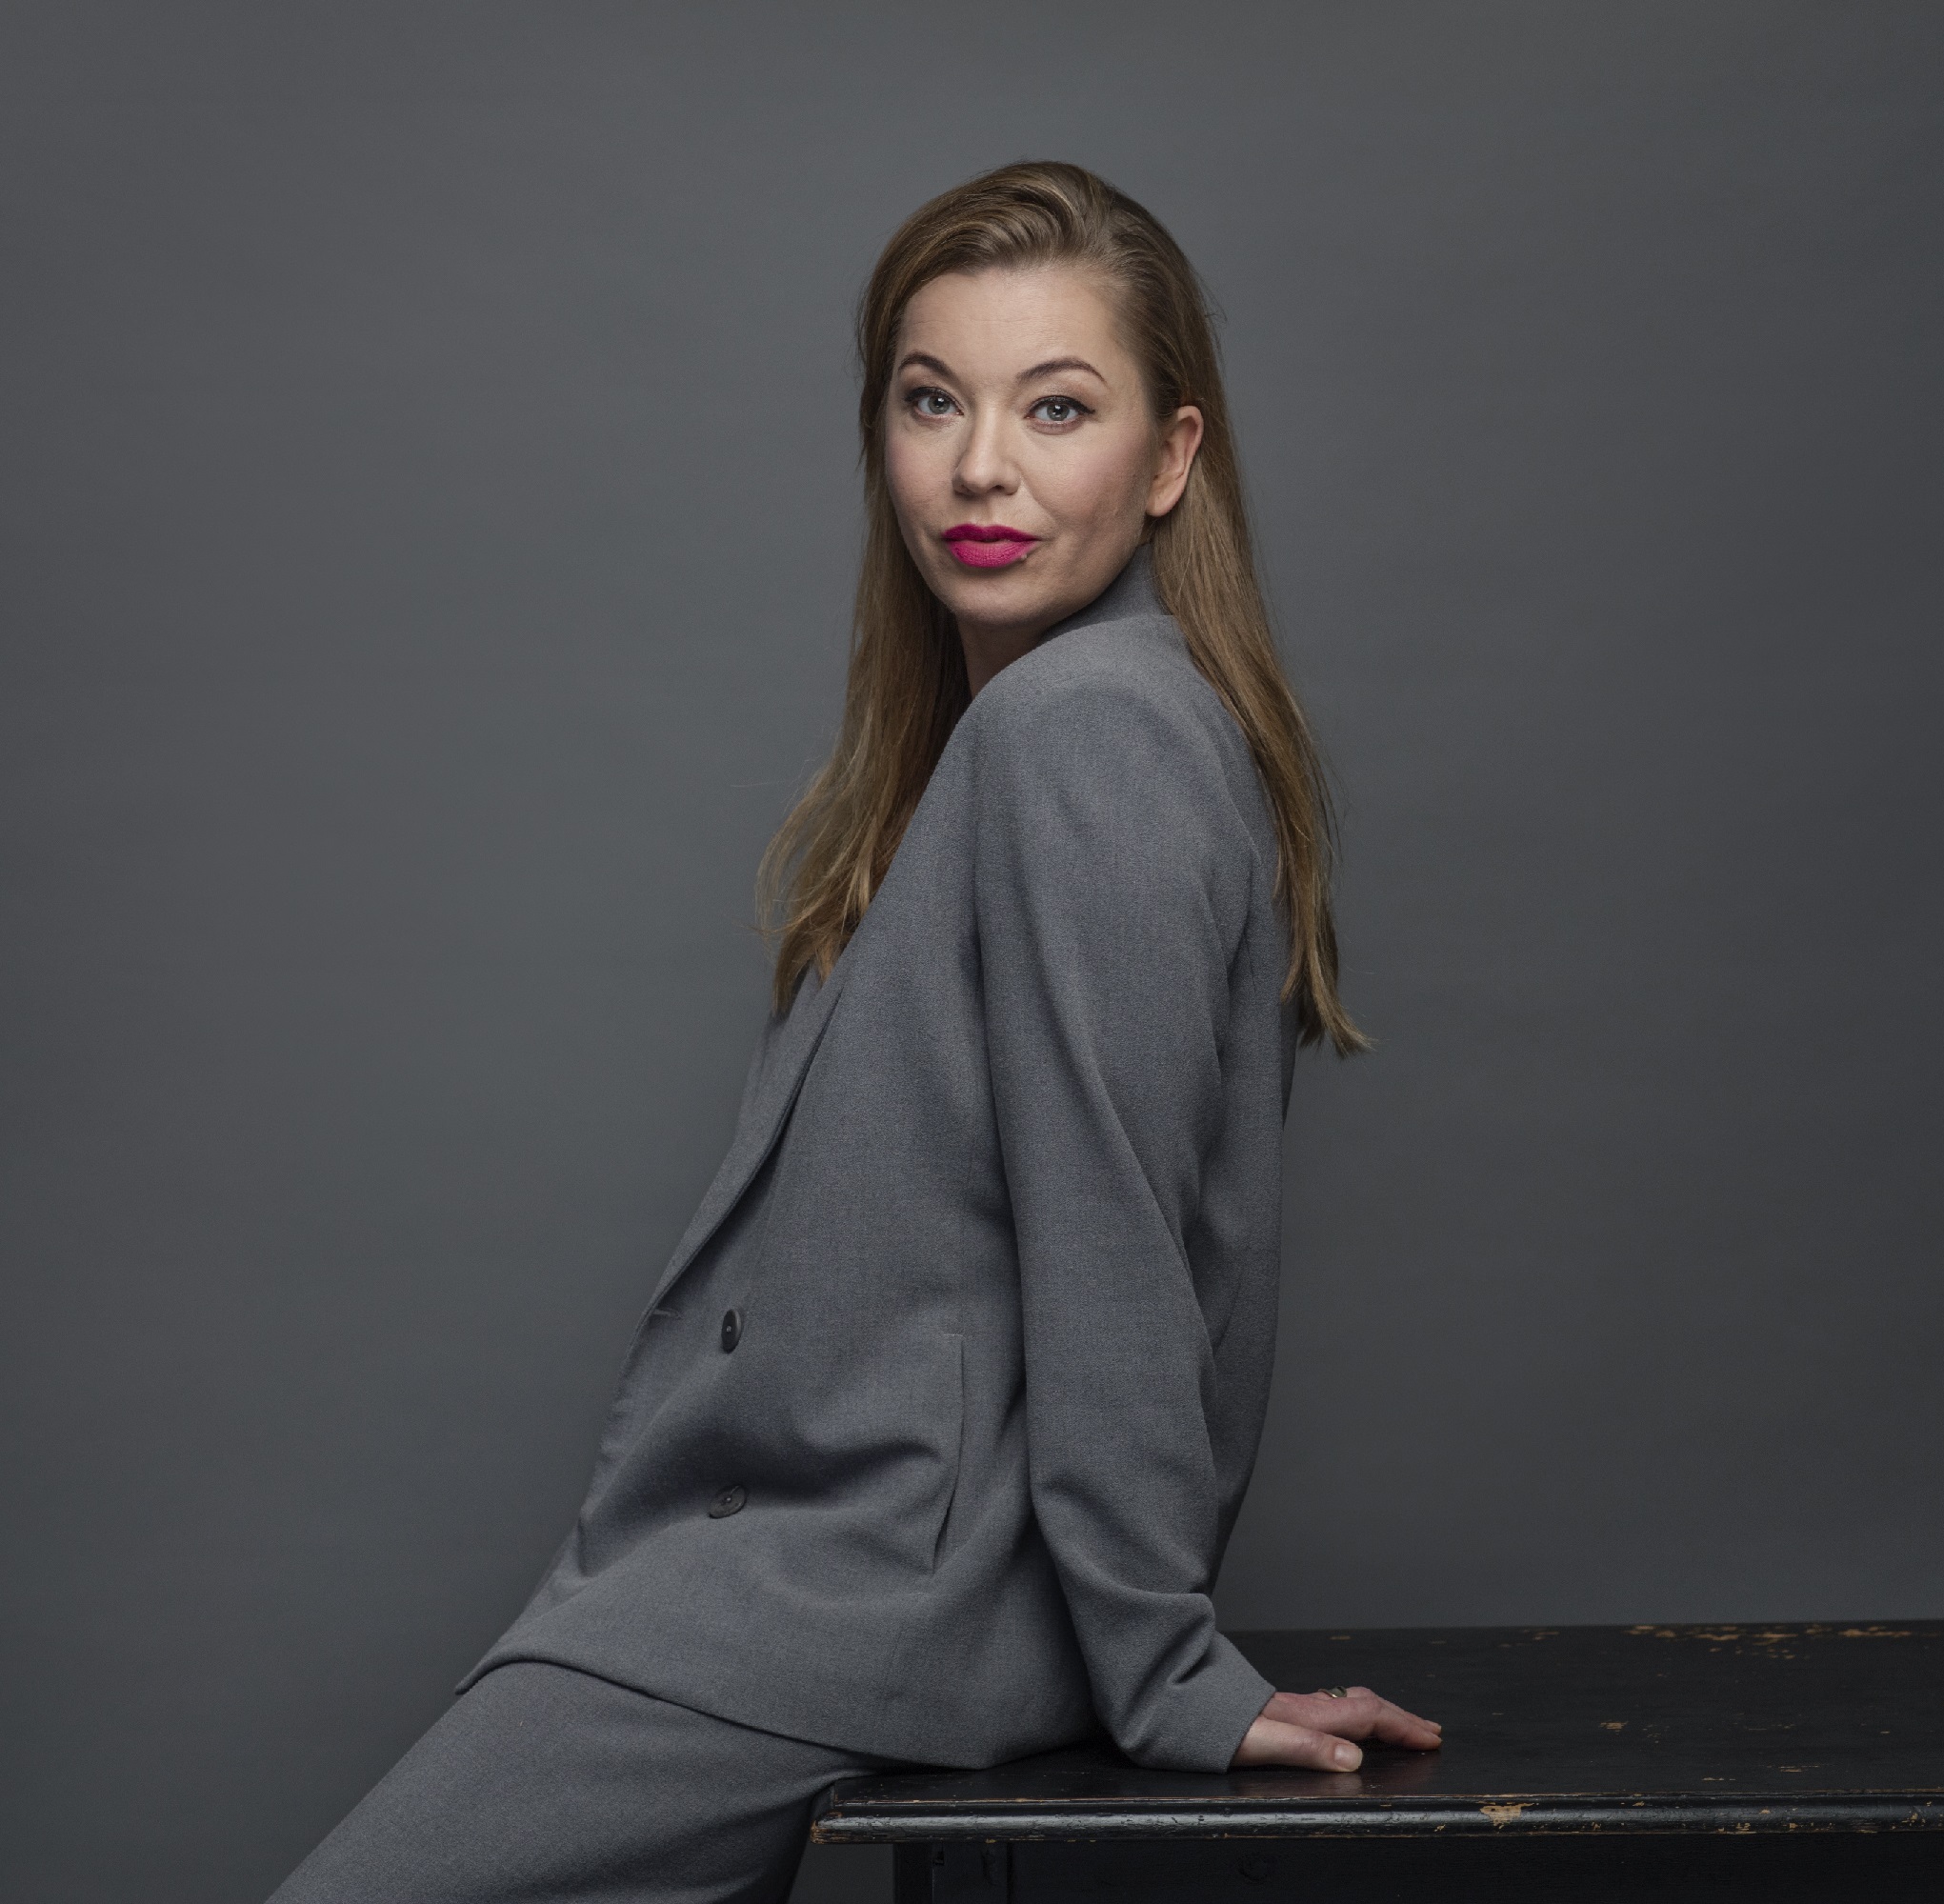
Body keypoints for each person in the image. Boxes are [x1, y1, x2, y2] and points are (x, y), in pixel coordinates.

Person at [270, 160, 1439, 1904]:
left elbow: (1119, 1233)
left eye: (1059, 407)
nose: (982, 466)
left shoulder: (1084, 737)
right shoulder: (1023, 740)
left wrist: (1167, 1664)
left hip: (858, 1595)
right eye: (930, 401)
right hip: (835, 1587)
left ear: (1173, 457)